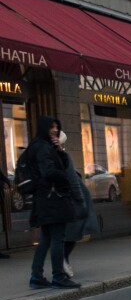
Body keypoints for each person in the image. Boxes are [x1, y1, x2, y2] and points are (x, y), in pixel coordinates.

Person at [27, 116, 80, 289]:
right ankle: (58, 275)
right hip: (52, 198)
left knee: (46, 239)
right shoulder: (42, 148)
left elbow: (59, 165)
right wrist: (65, 179)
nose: (55, 130)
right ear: (44, 128)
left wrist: (59, 150)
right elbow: (49, 171)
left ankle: (36, 276)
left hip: (46, 198)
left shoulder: (45, 146)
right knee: (58, 238)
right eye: (51, 127)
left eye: (57, 127)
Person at [57, 130, 98, 278]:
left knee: (68, 233)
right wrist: (80, 199)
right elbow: (73, 181)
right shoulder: (62, 158)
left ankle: (61, 262)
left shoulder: (54, 157)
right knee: (71, 232)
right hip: (70, 200)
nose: (63, 147)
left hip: (67, 200)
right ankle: (62, 262)